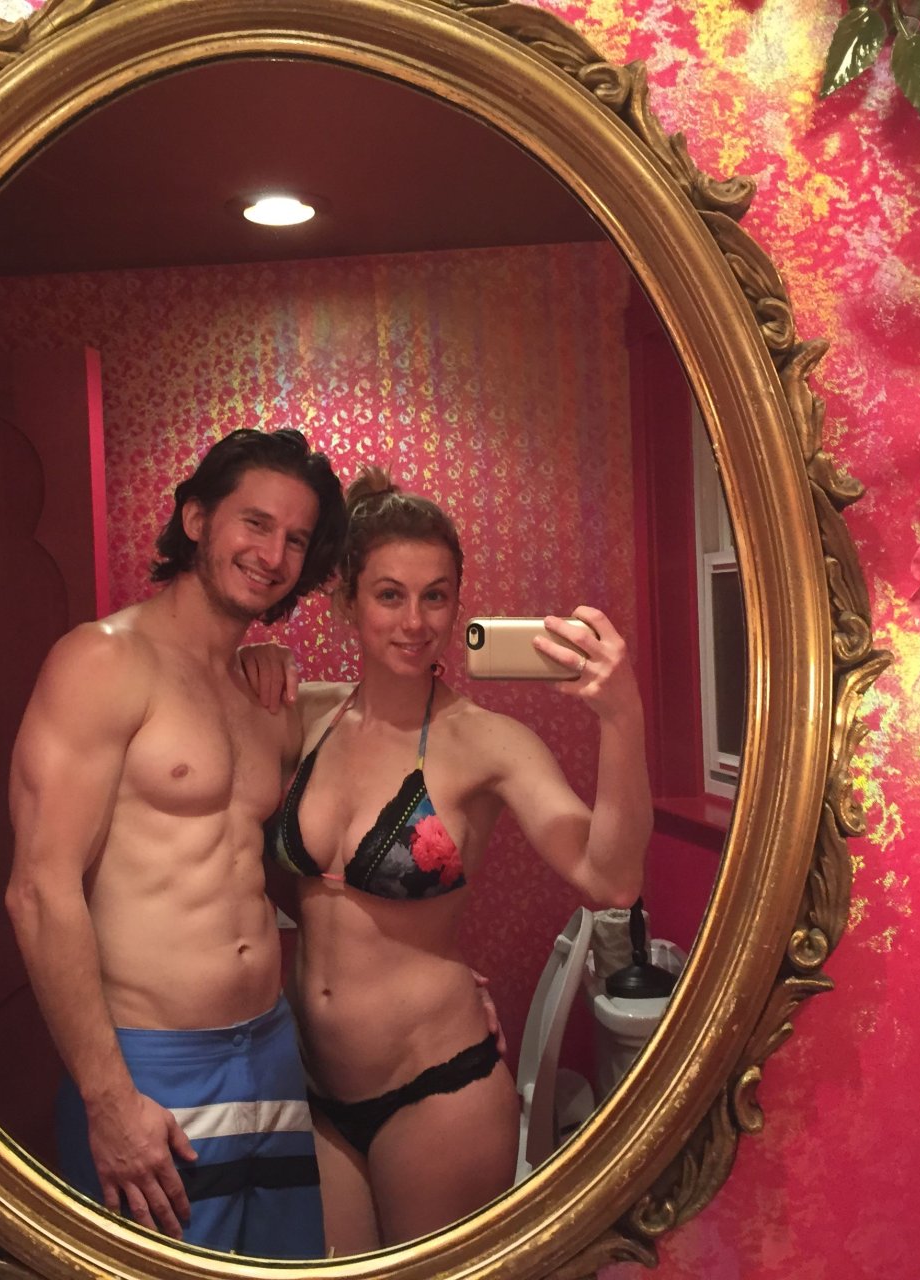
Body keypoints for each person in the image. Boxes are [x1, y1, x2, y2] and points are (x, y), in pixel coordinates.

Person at [243, 467, 651, 1251]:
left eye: (435, 596)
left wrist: (620, 716)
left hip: (436, 1093)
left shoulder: (488, 743)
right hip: (315, 1090)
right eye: (389, 595)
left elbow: (611, 877)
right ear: (346, 603)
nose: (414, 621)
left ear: (458, 603)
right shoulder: (304, 718)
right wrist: (253, 660)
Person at [5, 428, 346, 1258]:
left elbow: (378, 740)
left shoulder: (260, 694)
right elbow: (40, 891)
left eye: (295, 539)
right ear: (196, 519)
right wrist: (107, 1098)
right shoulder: (102, 662)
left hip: (269, 1048)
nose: (272, 555)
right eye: (254, 523)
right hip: (150, 1067)